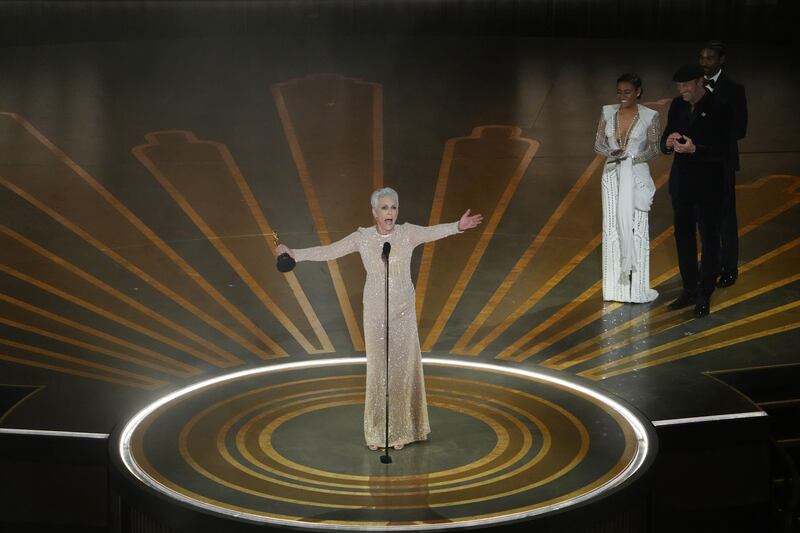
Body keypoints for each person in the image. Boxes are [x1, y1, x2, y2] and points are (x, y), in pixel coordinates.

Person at [276, 188, 483, 450]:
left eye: (394, 207)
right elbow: (330, 251)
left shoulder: (407, 234)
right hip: (375, 311)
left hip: (404, 311)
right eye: (384, 208)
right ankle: (377, 432)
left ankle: (404, 430)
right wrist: (293, 252)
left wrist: (458, 226)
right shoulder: (362, 238)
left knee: (402, 371)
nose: (390, 213)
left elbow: (432, 232)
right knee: (378, 371)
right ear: (374, 212)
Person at [660, 64, 732, 318]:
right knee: (684, 237)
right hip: (682, 185)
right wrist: (667, 144)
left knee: (710, 239)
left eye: (686, 85)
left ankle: (704, 294)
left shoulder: (718, 107)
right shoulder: (678, 105)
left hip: (709, 187)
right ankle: (689, 288)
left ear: (700, 82)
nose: (682, 90)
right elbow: (666, 137)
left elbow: (724, 149)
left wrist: (695, 149)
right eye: (679, 86)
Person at [594, 73, 660, 303]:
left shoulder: (650, 117)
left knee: (637, 228)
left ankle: (638, 289)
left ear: (638, 92)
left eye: (628, 92)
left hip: (636, 175)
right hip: (612, 175)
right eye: (619, 92)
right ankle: (615, 289)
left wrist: (633, 157)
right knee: (612, 227)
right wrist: (612, 152)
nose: (622, 96)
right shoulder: (607, 112)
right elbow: (598, 142)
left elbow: (654, 149)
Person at [699, 41, 748, 287]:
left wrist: (710, 132)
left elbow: (740, 129)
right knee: (704, 216)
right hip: (697, 163)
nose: (705, 63)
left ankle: (729, 267)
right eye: (702, 58)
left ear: (721, 60)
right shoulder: (695, 85)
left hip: (723, 163)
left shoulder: (734, 89)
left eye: (710, 58)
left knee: (726, 218)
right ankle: (710, 263)